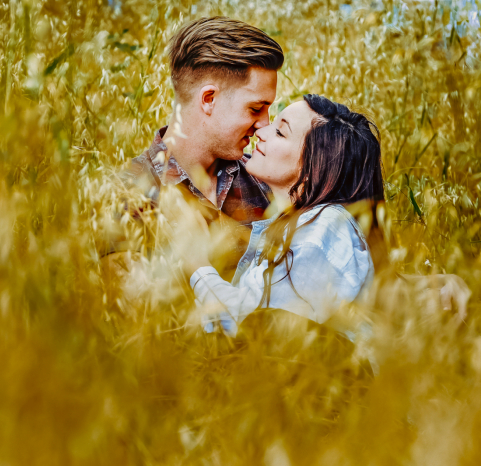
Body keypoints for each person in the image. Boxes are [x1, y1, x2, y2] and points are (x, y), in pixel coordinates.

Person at [109, 16, 470, 317]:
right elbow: (131, 313)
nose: (264, 125)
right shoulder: (130, 192)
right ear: (208, 99)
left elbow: (328, 267)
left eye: (272, 112)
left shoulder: (270, 174)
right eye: (256, 108)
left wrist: (419, 286)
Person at [171, 95, 380, 336]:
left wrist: (197, 264)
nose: (262, 130)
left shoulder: (325, 231)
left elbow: (252, 326)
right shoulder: (305, 226)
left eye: (281, 132)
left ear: (314, 168)